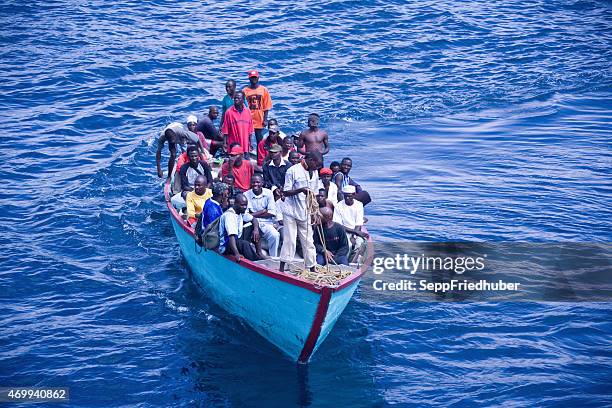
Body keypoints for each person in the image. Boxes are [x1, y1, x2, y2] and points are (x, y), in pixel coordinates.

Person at [278, 151, 323, 273]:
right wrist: (301, 190)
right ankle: (282, 268)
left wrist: (315, 212)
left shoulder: (314, 172)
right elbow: (285, 192)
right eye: (317, 165)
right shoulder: (292, 171)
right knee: (290, 240)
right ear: (311, 160)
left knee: (308, 241)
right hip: (290, 211)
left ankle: (312, 268)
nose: (317, 168)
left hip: (305, 211)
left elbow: (315, 194)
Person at [218, 193, 263, 262]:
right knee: (244, 244)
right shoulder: (230, 216)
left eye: (246, 205)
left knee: (255, 228)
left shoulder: (240, 211)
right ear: (235, 204)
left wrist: (256, 229)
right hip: (226, 244)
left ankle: (259, 253)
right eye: (242, 205)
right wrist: (237, 254)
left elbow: (254, 219)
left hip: (237, 239)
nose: (244, 207)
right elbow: (231, 236)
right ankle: (255, 261)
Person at [245, 174, 281, 257]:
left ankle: (273, 258)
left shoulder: (268, 193)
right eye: (253, 182)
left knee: (275, 235)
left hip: (266, 222)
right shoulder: (246, 194)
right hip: (251, 223)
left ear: (262, 183)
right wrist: (262, 211)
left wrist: (253, 214)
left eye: (258, 182)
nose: (255, 184)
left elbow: (272, 213)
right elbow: (246, 216)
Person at [242, 70, 272, 148]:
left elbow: (266, 106)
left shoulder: (264, 90)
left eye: (255, 77)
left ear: (258, 78)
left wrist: (265, 119)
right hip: (248, 118)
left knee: (259, 140)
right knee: (247, 139)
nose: (253, 79)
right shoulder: (245, 91)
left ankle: (260, 155)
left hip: (259, 119)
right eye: (252, 78)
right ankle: (247, 153)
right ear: (249, 79)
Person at [333, 185, 369, 251]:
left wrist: (353, 236)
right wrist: (356, 233)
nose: (347, 198)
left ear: (354, 195)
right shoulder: (338, 206)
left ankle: (356, 259)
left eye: (349, 196)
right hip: (343, 232)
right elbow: (339, 226)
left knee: (360, 244)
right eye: (345, 196)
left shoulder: (359, 205)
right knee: (348, 245)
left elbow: (358, 223)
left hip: (355, 231)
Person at [221, 90, 254, 155]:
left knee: (246, 162)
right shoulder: (229, 112)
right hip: (233, 146)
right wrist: (224, 143)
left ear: (243, 99)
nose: (236, 99)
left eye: (238, 98)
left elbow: (250, 131)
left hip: (245, 146)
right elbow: (225, 130)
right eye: (235, 98)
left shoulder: (248, 112)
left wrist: (250, 143)